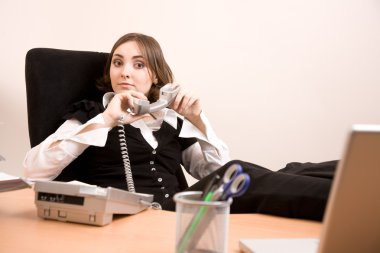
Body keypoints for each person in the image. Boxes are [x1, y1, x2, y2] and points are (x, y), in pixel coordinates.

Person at [23, 33, 336, 221]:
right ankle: (350, 207)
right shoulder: (92, 114)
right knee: (242, 172)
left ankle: (355, 186)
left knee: (298, 169)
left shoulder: (169, 121)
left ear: (156, 76)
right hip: (150, 218)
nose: (125, 72)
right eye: (117, 62)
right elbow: (32, 172)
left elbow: (213, 170)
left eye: (139, 64)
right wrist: (106, 119)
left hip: (182, 210)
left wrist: (199, 121)